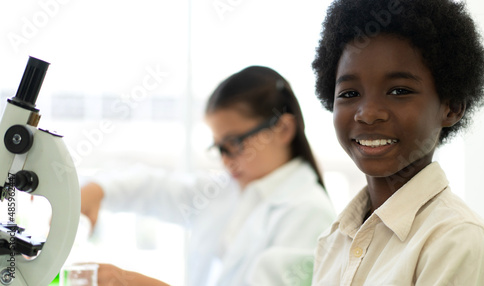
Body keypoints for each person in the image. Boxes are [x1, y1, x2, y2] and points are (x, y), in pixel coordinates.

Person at [80, 66, 335, 286]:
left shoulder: (310, 212)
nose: (225, 159)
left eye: (234, 143)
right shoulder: (227, 191)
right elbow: (156, 189)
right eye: (218, 148)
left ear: (283, 128)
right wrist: (97, 191)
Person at [310, 0, 484, 285]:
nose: (368, 113)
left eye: (399, 90)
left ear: (451, 107)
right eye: (349, 94)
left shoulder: (458, 242)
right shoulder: (334, 240)